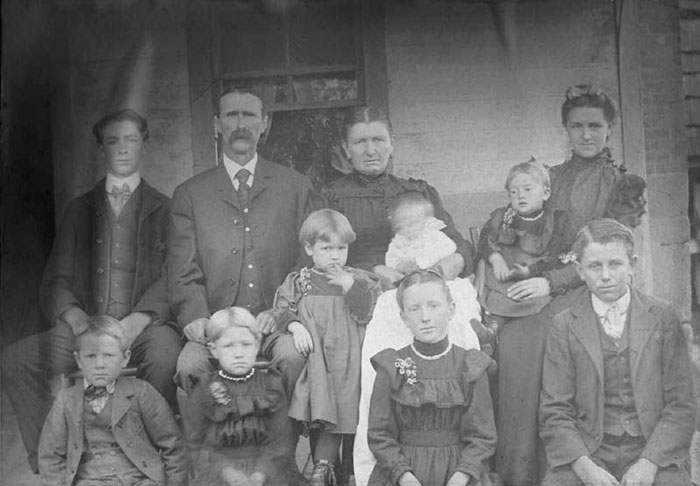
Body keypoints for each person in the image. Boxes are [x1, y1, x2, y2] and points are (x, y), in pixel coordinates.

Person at [2, 109, 180, 473]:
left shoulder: (166, 209)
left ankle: (142, 454)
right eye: (113, 141)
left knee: (164, 355)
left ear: (145, 145)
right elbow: (53, 281)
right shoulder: (78, 209)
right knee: (16, 360)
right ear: (102, 149)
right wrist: (79, 321)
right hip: (84, 329)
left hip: (143, 328)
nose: (123, 149)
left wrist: (139, 318)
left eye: (132, 140)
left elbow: (173, 275)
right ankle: (51, 463)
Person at [495, 85, 626, 486]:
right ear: (565, 130)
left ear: (610, 129)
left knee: (542, 338)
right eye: (576, 126)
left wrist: (548, 283)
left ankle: (567, 467)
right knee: (512, 340)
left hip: (593, 284)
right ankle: (519, 473)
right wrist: (511, 261)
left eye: (595, 126)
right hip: (544, 281)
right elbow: (515, 224)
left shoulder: (621, 184)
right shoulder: (549, 177)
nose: (586, 134)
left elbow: (610, 252)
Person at [169, 88, 320, 400]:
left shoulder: (295, 186)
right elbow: (182, 269)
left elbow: (308, 261)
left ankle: (283, 448)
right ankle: (213, 448)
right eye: (231, 115)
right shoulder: (190, 193)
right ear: (216, 124)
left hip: (275, 323)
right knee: (190, 366)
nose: (240, 123)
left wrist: (282, 312)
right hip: (215, 324)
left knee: (292, 358)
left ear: (264, 123)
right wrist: (196, 317)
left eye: (249, 115)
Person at [539, 219, 696, 486]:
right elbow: (555, 410)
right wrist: (585, 468)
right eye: (594, 266)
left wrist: (649, 463)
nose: (606, 275)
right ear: (579, 270)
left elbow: (681, 405)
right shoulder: (564, 325)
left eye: (615, 264)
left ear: (632, 264)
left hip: (649, 447)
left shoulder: (662, 317)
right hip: (590, 449)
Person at [272, 209, 380, 486]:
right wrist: (295, 327)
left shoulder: (358, 278)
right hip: (319, 359)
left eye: (341, 248)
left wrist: (349, 286)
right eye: (326, 248)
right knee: (325, 405)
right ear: (309, 248)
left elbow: (366, 313)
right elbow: (282, 309)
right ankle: (324, 466)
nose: (335, 255)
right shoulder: (300, 281)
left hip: (350, 357)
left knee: (349, 405)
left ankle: (344, 470)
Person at [367, 270, 496, 486]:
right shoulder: (391, 366)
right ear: (404, 318)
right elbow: (380, 435)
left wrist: (462, 475)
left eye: (433, 306)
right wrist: (403, 475)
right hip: (403, 473)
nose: (425, 317)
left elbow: (482, 437)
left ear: (451, 309)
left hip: (459, 472)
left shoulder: (471, 366)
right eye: (414, 309)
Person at [322, 106, 474, 288]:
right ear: (346, 149)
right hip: (362, 293)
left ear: (391, 144)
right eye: (360, 142)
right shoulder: (332, 198)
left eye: (378, 140)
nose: (370, 150)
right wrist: (374, 270)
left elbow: (457, 242)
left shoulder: (418, 192)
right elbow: (322, 256)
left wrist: (454, 262)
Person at [38, 316, 188, 486]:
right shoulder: (66, 400)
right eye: (90, 356)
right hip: (89, 480)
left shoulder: (142, 392)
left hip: (139, 478)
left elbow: (173, 445)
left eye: (108, 355)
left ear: (125, 358)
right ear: (78, 360)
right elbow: (50, 456)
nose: (99, 364)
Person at [188, 307, 299, 486]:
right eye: (228, 346)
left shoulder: (271, 386)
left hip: (267, 471)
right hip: (218, 472)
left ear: (257, 346)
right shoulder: (203, 389)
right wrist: (226, 472)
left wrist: (260, 474)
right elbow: (195, 444)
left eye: (246, 344)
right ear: (214, 350)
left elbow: (281, 442)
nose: (239, 353)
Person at [477, 160, 576, 346]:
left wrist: (531, 271)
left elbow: (557, 256)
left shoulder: (554, 221)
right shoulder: (503, 217)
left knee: (539, 305)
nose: (520, 196)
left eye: (527, 189)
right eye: (514, 192)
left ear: (545, 193)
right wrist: (495, 257)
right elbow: (484, 239)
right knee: (496, 296)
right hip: (505, 275)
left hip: (535, 275)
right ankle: (492, 329)